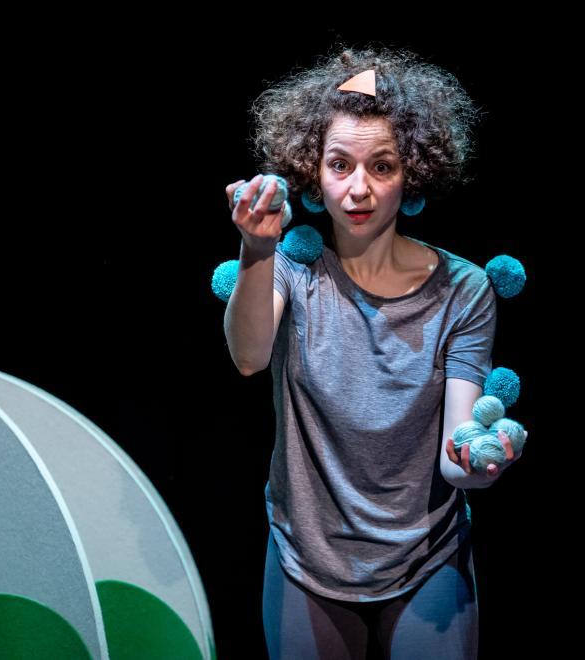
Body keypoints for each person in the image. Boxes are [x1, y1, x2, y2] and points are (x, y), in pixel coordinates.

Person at [223, 44, 526, 659]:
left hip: (425, 559)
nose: (358, 189)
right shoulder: (292, 269)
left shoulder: (463, 290)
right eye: (340, 165)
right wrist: (255, 253)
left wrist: (481, 461)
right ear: (314, 171)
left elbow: (455, 454)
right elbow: (249, 356)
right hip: (307, 560)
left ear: (411, 172)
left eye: (381, 167)